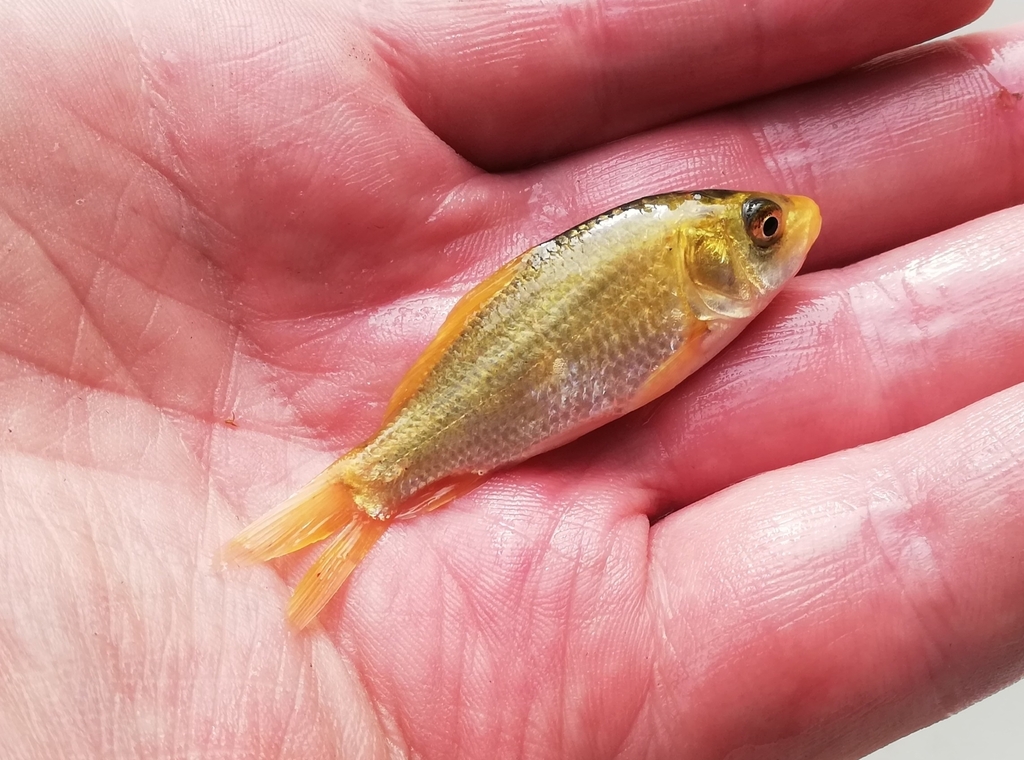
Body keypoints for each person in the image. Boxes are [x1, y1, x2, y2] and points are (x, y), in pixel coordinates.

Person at [2, 0, 1022, 757]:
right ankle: (367, 490)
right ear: (714, 255)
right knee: (391, 472)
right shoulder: (676, 271)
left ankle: (367, 495)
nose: (786, 235)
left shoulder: (687, 284)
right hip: (472, 406)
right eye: (762, 232)